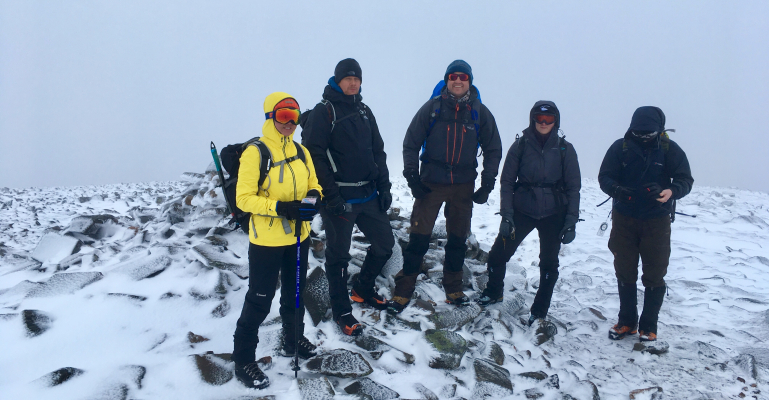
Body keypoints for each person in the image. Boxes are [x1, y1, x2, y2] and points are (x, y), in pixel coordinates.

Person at [387, 60, 503, 313]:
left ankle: (454, 288)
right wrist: (412, 177)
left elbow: (494, 148)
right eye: (453, 76)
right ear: (447, 80)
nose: (458, 80)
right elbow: (411, 142)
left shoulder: (479, 112)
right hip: (430, 183)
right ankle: (403, 291)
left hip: (463, 185)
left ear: (470, 81)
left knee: (457, 239)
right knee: (419, 238)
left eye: (463, 76)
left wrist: (487, 183)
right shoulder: (432, 108)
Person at [231, 93, 323, 389]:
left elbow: (313, 183)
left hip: (299, 236)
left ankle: (293, 340)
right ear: (270, 116)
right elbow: (243, 199)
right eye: (283, 115)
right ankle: (244, 359)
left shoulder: (301, 151)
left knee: (295, 293)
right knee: (260, 299)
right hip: (267, 240)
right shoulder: (255, 153)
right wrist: (281, 208)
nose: (290, 122)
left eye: (294, 116)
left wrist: (314, 198)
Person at [303, 58, 394, 336]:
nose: (353, 83)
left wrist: (385, 186)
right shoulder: (324, 112)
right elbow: (314, 156)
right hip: (339, 198)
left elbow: (377, 151)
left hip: (367, 194)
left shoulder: (365, 111)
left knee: (385, 244)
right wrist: (330, 196)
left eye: (357, 79)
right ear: (337, 80)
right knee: (338, 257)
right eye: (347, 78)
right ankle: (342, 311)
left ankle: (362, 289)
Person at [477, 101, 581, 327]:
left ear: (556, 121)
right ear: (533, 119)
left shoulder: (565, 149)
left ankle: (539, 311)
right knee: (497, 255)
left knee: (549, 265)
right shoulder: (520, 146)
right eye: (539, 119)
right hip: (522, 209)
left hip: (554, 212)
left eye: (549, 120)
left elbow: (574, 186)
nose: (543, 124)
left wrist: (571, 221)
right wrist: (507, 214)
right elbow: (506, 181)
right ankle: (494, 292)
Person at [598, 106, 693, 342]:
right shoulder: (619, 148)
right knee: (625, 270)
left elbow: (685, 179)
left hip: (656, 221)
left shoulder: (670, 149)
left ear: (659, 130)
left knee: (654, 272)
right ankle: (627, 322)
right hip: (624, 219)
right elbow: (605, 177)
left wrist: (670, 191)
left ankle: (648, 327)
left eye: (648, 134)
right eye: (638, 133)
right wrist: (618, 191)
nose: (642, 137)